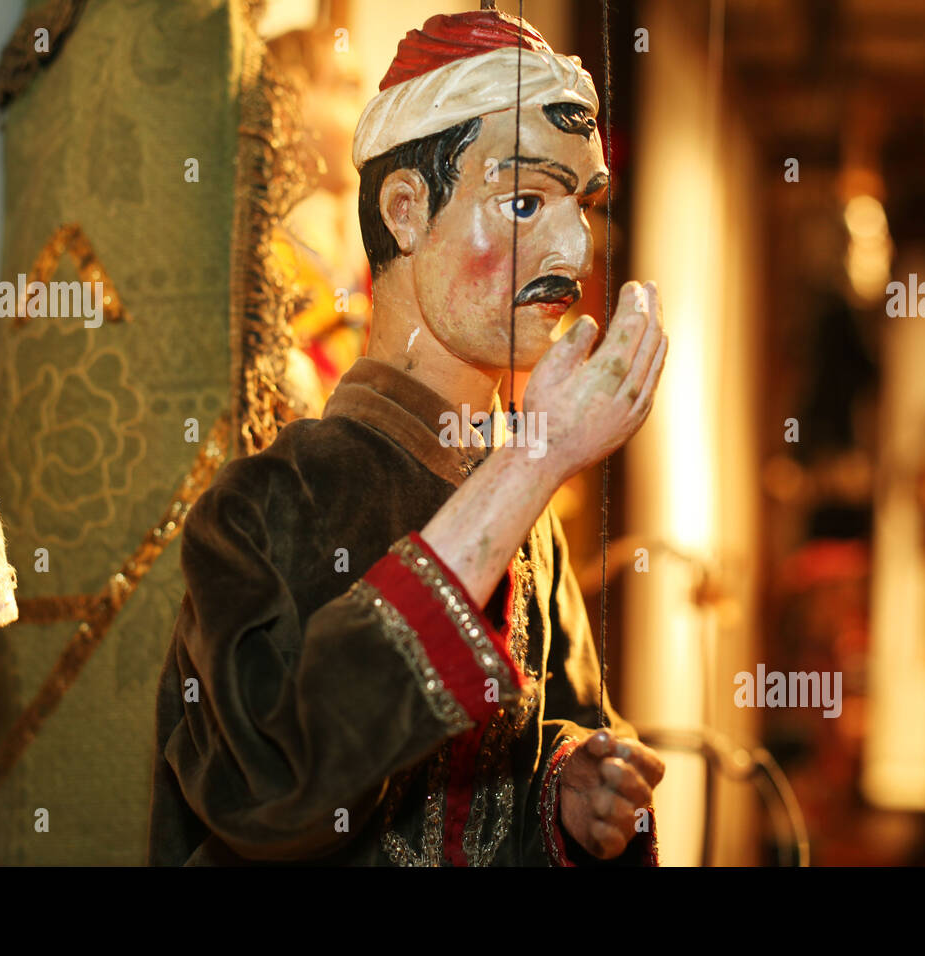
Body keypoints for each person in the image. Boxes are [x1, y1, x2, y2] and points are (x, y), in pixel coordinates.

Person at [149, 8, 668, 866]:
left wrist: (574, 790)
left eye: (581, 204)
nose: (573, 247)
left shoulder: (527, 514)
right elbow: (268, 789)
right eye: (525, 201)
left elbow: (562, 724)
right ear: (404, 209)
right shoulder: (268, 505)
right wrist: (534, 460)